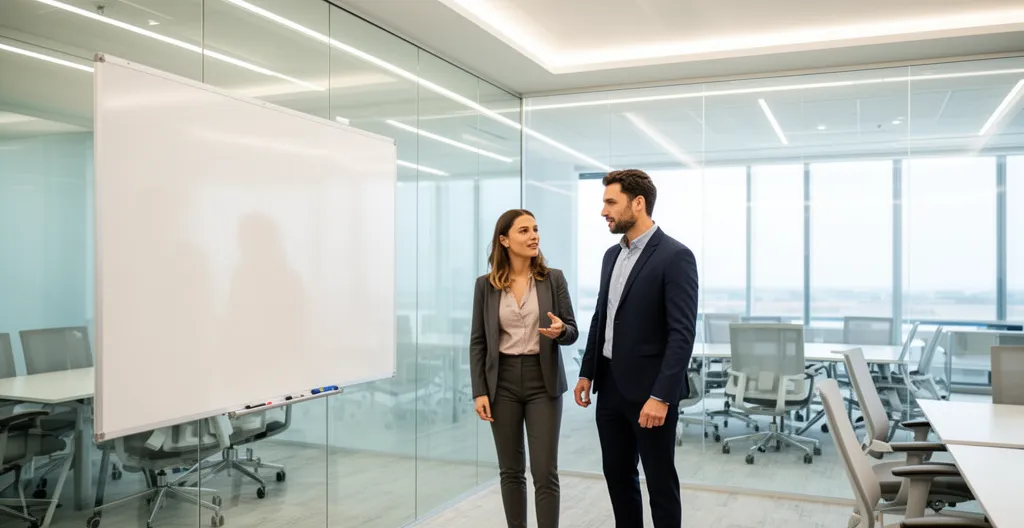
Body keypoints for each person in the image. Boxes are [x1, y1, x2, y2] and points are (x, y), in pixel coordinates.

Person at [573, 169, 698, 528]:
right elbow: (603, 317)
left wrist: (662, 396)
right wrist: (587, 372)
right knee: (618, 477)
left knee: (660, 484)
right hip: (609, 388)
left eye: (610, 202)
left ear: (638, 203)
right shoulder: (611, 256)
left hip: (650, 394)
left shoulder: (675, 256)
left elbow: (681, 335)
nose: (603, 211)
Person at [470, 209, 579, 528]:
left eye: (535, 229)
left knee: (545, 471)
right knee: (511, 470)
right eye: (524, 231)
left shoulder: (553, 278)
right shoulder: (485, 286)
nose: (534, 236)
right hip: (500, 383)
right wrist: (479, 391)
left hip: (542, 381)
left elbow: (572, 330)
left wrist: (561, 331)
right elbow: (478, 341)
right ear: (504, 240)